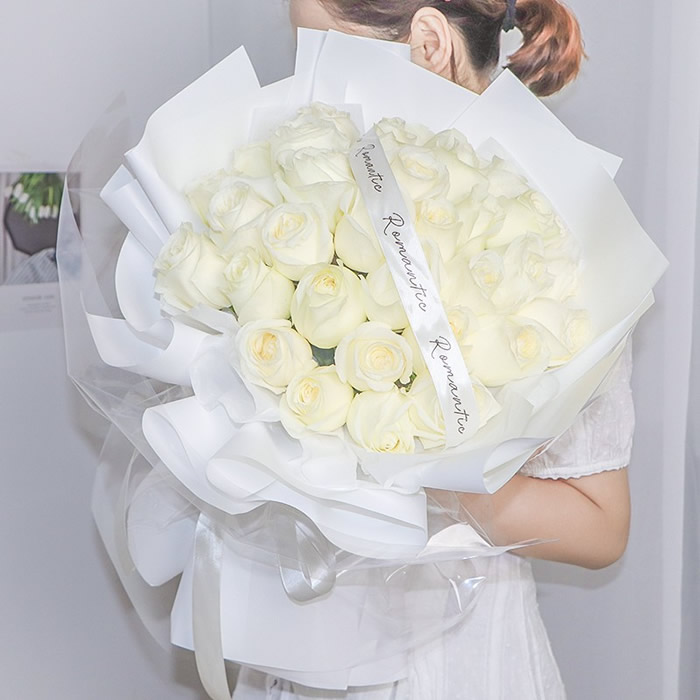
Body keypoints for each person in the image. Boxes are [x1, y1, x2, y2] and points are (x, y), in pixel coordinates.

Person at [234, 1, 635, 697]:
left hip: (460, 660)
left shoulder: (545, 233)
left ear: (428, 42)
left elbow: (602, 527)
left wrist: (419, 462)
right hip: (308, 636)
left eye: (318, 52)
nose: (301, 83)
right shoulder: (300, 199)